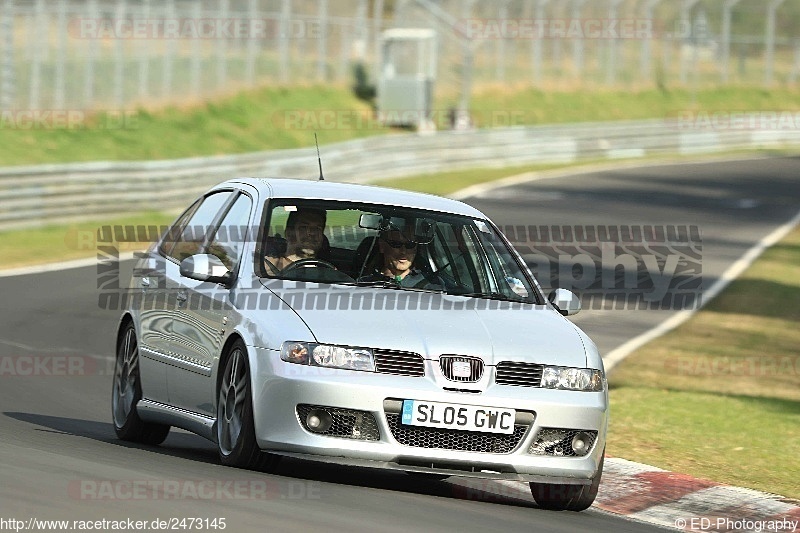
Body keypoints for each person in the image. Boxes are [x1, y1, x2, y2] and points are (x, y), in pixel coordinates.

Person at [359, 227, 442, 289]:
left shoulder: (432, 284)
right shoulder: (364, 283)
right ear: (382, 246)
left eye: (410, 245)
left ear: (416, 248)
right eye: (396, 244)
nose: (403, 251)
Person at [264, 207, 328, 275]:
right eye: (304, 227)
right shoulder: (268, 267)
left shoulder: (329, 273)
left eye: (318, 228)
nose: (312, 233)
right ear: (288, 233)